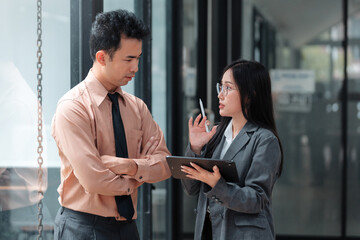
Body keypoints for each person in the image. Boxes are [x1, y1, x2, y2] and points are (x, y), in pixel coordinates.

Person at [51, 9, 171, 239]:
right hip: (83, 227)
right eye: (128, 59)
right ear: (102, 57)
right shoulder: (73, 107)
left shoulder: (137, 108)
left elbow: (165, 164)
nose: (135, 67)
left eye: (138, 58)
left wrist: (129, 167)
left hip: (128, 227)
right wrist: (142, 174)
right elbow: (93, 180)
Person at [181, 59, 283, 240]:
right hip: (208, 232)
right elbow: (191, 189)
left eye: (228, 88)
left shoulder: (265, 140)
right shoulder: (216, 134)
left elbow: (256, 199)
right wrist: (195, 148)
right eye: (220, 87)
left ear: (249, 95)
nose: (220, 95)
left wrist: (217, 184)